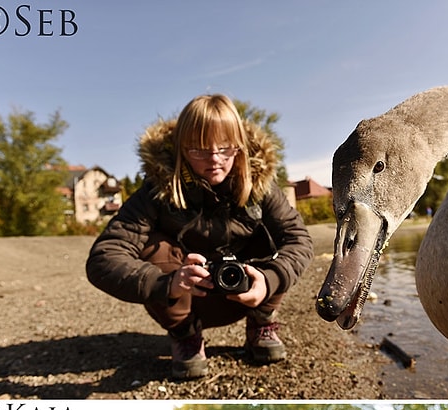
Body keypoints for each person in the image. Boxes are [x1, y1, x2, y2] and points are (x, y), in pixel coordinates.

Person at [86, 94, 313, 380]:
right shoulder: (156, 191)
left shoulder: (260, 185)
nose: (215, 159)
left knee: (273, 238)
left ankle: (262, 322)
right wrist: (165, 284)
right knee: (150, 245)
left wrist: (270, 281)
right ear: (181, 149)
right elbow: (104, 257)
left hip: (248, 294)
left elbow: (299, 239)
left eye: (226, 148)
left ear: (240, 146)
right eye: (200, 149)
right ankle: (185, 335)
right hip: (182, 300)